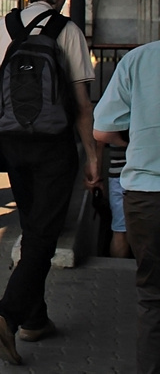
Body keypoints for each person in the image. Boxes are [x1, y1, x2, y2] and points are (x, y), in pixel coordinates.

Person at [0, 0, 99, 366]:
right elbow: (82, 105)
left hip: (11, 143)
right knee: (44, 236)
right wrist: (92, 157)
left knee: (33, 227)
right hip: (53, 146)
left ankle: (35, 318)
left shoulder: (3, 27)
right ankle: (6, 315)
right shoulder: (68, 31)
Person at [93, 39, 160, 374]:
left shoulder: (138, 60)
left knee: (152, 299)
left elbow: (102, 131)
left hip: (147, 197)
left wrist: (131, 138)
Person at [106, 144, 133, 259]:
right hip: (152, 175)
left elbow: (102, 135)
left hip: (120, 174)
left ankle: (116, 273)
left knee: (120, 230)